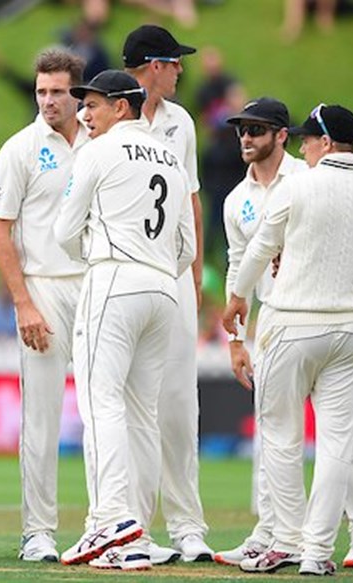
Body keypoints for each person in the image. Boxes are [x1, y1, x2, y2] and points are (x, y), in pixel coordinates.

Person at [222, 104, 353, 576]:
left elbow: (259, 248)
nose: (302, 146)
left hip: (294, 320)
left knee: (280, 435)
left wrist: (238, 300)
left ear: (324, 142)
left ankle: (289, 540)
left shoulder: (298, 183)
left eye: (307, 139)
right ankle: (317, 551)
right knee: (339, 438)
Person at [54, 69, 196, 571]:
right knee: (141, 413)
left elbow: (63, 230)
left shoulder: (98, 151)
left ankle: (110, 518)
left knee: (101, 402)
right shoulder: (172, 159)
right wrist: (155, 268)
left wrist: (97, 253)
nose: (85, 115)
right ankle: (136, 532)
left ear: (122, 106)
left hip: (114, 280)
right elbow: (189, 248)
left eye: (92, 105)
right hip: (163, 289)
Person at [0, 48, 90, 562]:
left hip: (97, 286)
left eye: (58, 92)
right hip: (44, 289)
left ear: (79, 91)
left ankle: (110, 524)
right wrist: (23, 302)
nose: (48, 101)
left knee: (106, 412)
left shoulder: (104, 139)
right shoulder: (20, 148)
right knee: (43, 417)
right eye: (41, 91)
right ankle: (39, 532)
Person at [122, 23, 213, 564]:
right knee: (134, 404)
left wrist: (198, 276)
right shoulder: (107, 113)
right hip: (126, 273)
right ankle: (134, 527)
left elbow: (192, 201)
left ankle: (187, 527)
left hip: (174, 274)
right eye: (175, 61)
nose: (182, 69)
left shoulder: (181, 122)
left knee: (180, 403)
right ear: (154, 65)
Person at [213, 97, 308, 566]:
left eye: (256, 129)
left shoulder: (307, 180)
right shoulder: (237, 199)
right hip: (270, 317)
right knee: (270, 429)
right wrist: (236, 340)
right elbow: (237, 269)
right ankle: (269, 530)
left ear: (282, 135)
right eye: (241, 130)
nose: (246, 138)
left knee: (336, 434)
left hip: (314, 312)